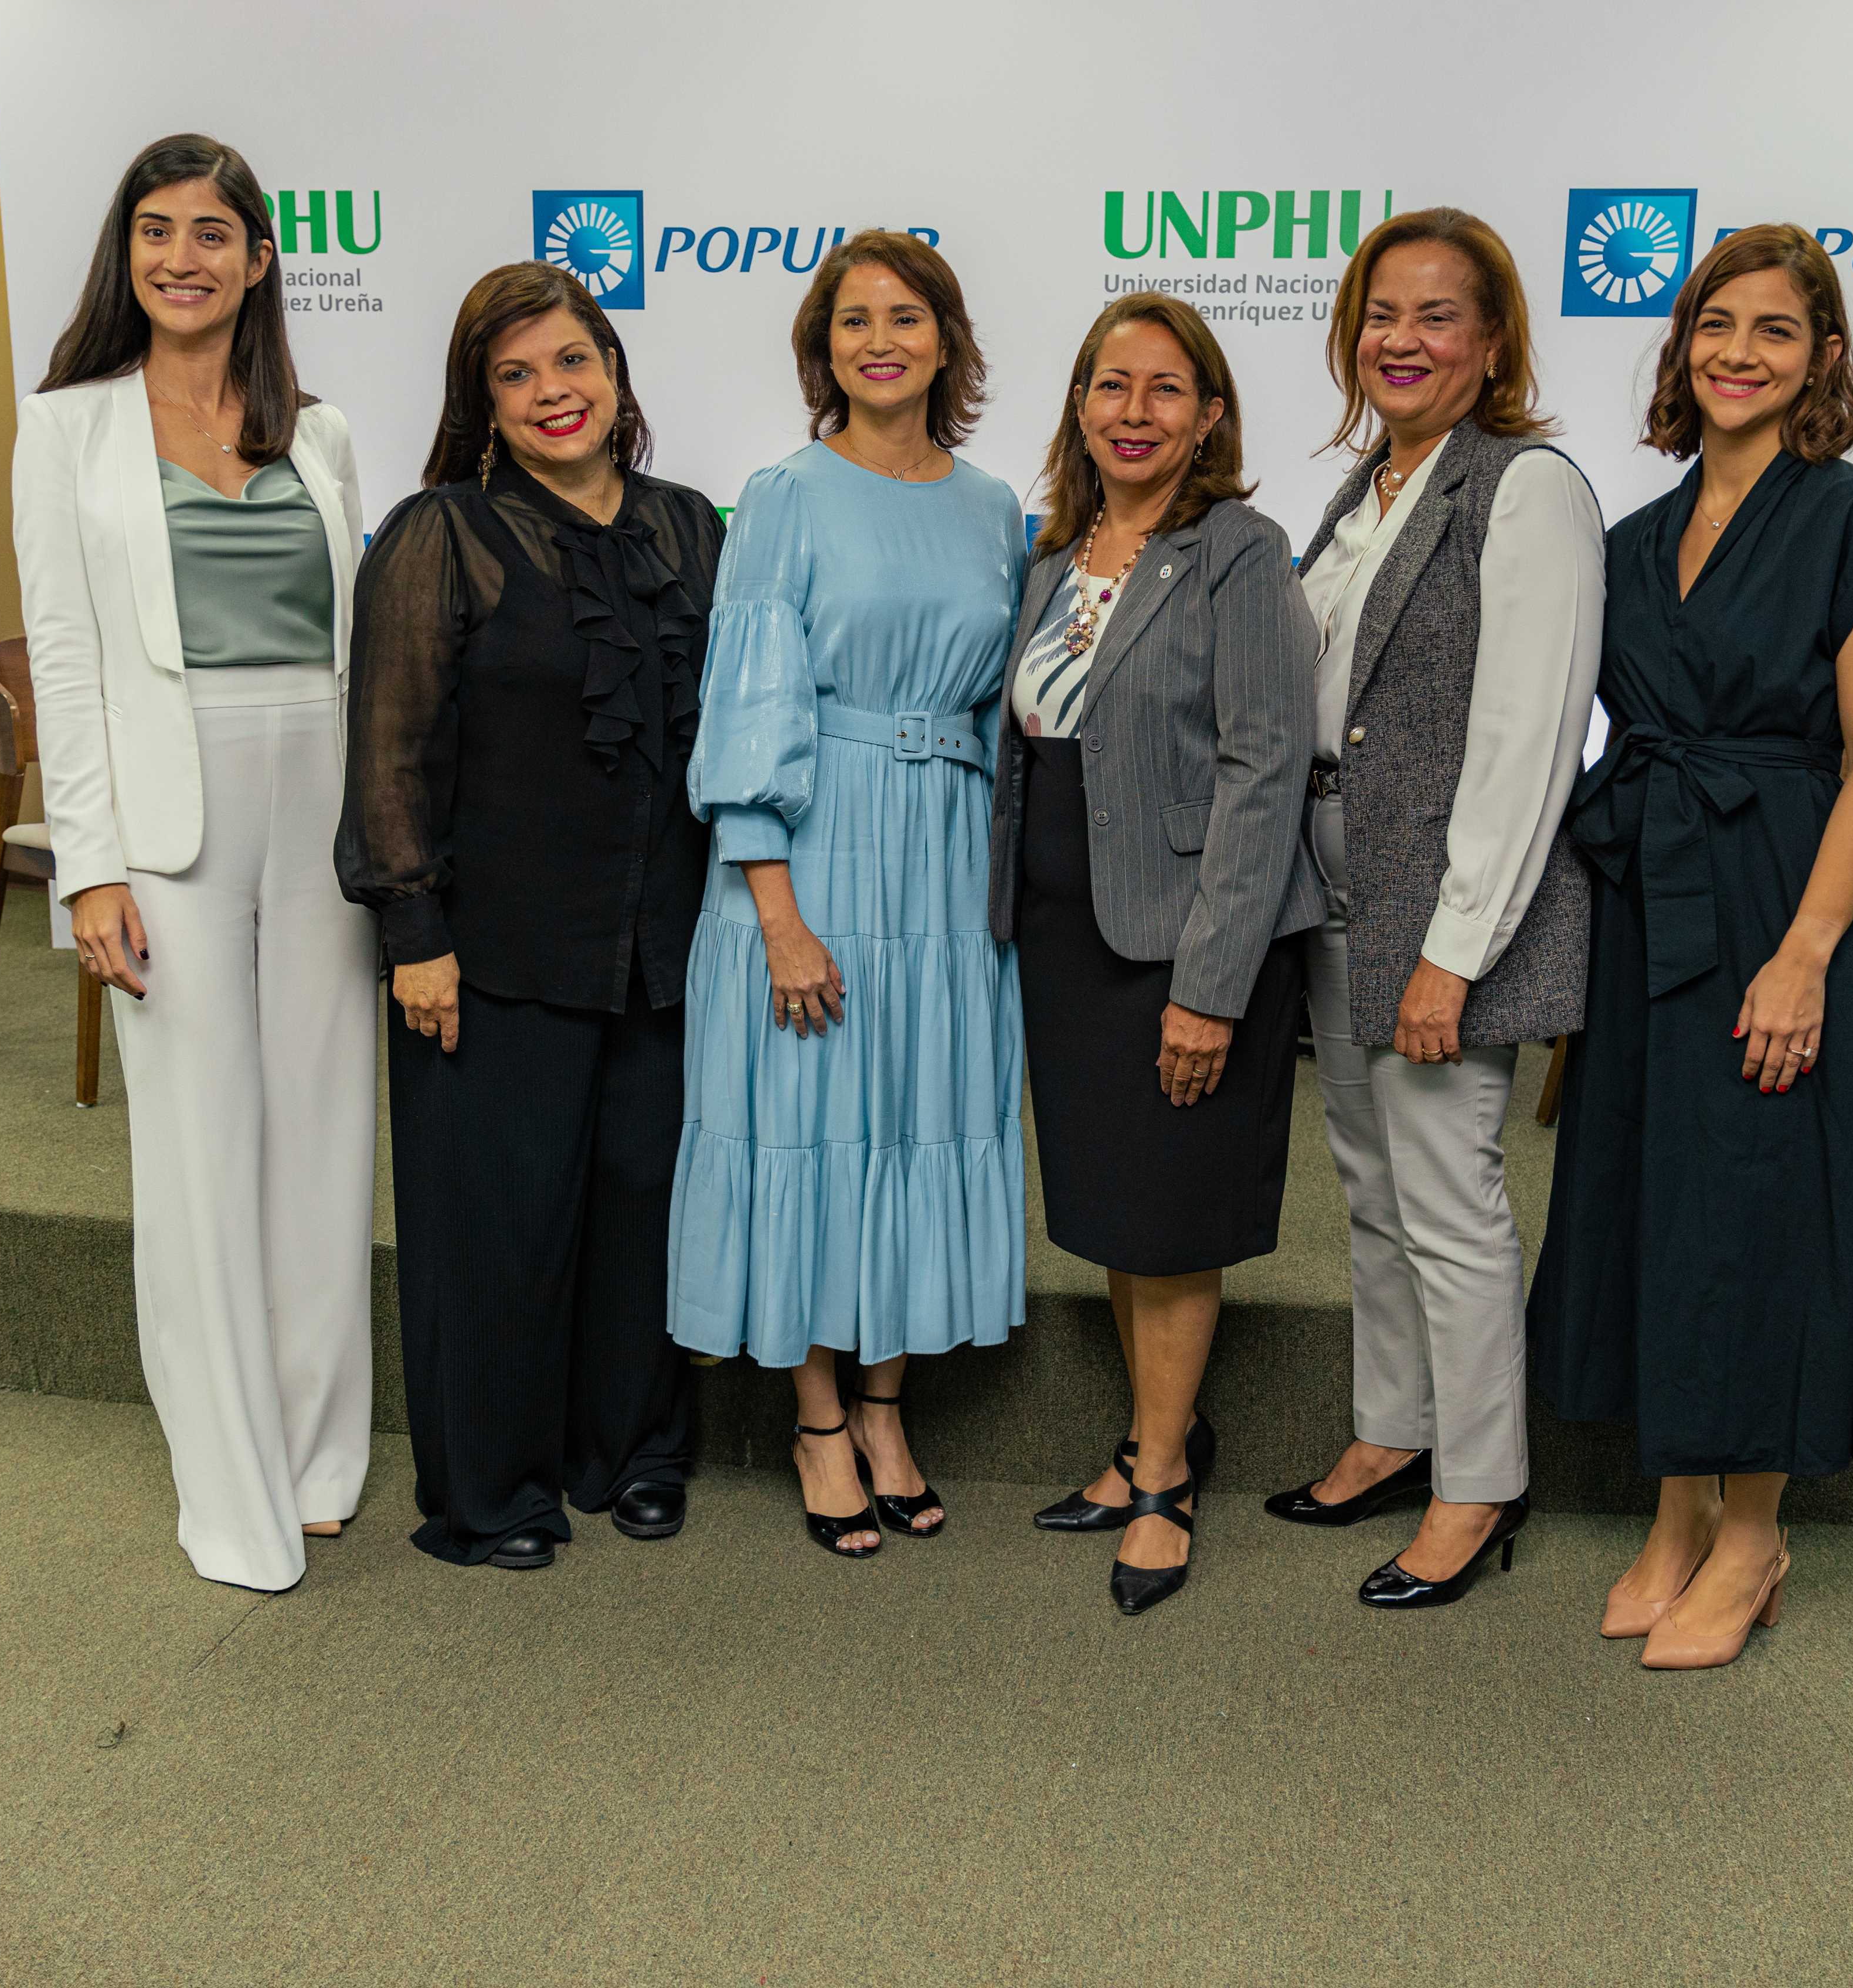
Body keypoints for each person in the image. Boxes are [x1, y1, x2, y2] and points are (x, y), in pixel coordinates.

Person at [1526, 223, 1853, 1670]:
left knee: (1761, 1207)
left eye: (1772, 330)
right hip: (1653, 894)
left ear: (1820, 357)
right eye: (1714, 325)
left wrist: (1807, 950)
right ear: (1679, 344)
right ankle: (1673, 1508)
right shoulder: (1635, 539)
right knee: (1656, 1191)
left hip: (1779, 884)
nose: (1736, 355)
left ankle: (1754, 1533)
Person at [12, 132, 377, 1594]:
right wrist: (86, 863)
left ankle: (317, 1455)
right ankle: (230, 1491)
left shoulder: (323, 429)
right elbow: (64, 655)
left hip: (323, 808)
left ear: (260, 258)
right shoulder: (66, 430)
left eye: (213, 231)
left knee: (323, 1135)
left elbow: (361, 651)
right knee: (198, 1151)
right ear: (127, 253)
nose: (184, 255)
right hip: (167, 825)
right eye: (157, 230)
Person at [338, 262, 721, 1571]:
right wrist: (413, 935)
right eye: (516, 375)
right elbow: (387, 754)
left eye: (572, 363)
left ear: (614, 376)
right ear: (482, 405)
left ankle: (634, 1453)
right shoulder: (435, 533)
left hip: (663, 950)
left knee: (641, 1208)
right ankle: (491, 1492)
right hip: (489, 949)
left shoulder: (689, 527)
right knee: (496, 1227)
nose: (552, 393)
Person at [669, 232, 1029, 1559]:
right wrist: (774, 911)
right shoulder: (785, 494)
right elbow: (750, 702)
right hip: (814, 851)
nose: (879, 338)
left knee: (914, 1112)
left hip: (944, 861)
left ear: (947, 338)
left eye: (906, 314)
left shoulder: (994, 504)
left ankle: (887, 1404)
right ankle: (819, 1417)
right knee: (816, 1119)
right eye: (851, 320)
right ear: (822, 351)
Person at [1265, 207, 1604, 1611]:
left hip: (1441, 906)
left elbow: (1527, 738)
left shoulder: (1525, 487)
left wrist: (1450, 954)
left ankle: (1479, 1484)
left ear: (1492, 341)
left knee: (1449, 1196)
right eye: (1378, 316)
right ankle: (1391, 1430)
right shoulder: (1364, 489)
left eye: (1435, 316)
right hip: (1337, 880)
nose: (1400, 341)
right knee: (1369, 1186)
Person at [991, 294, 1317, 1616]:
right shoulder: (1053, 556)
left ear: (1210, 417)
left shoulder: (1238, 552)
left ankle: (1166, 1480)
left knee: (1174, 1219)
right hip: (1067, 940)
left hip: (1183, 940)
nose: (1134, 412)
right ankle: (1144, 1438)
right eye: (1109, 387)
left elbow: (1263, 768)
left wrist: (1209, 982)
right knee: (1119, 1209)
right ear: (1078, 407)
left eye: (1164, 390)